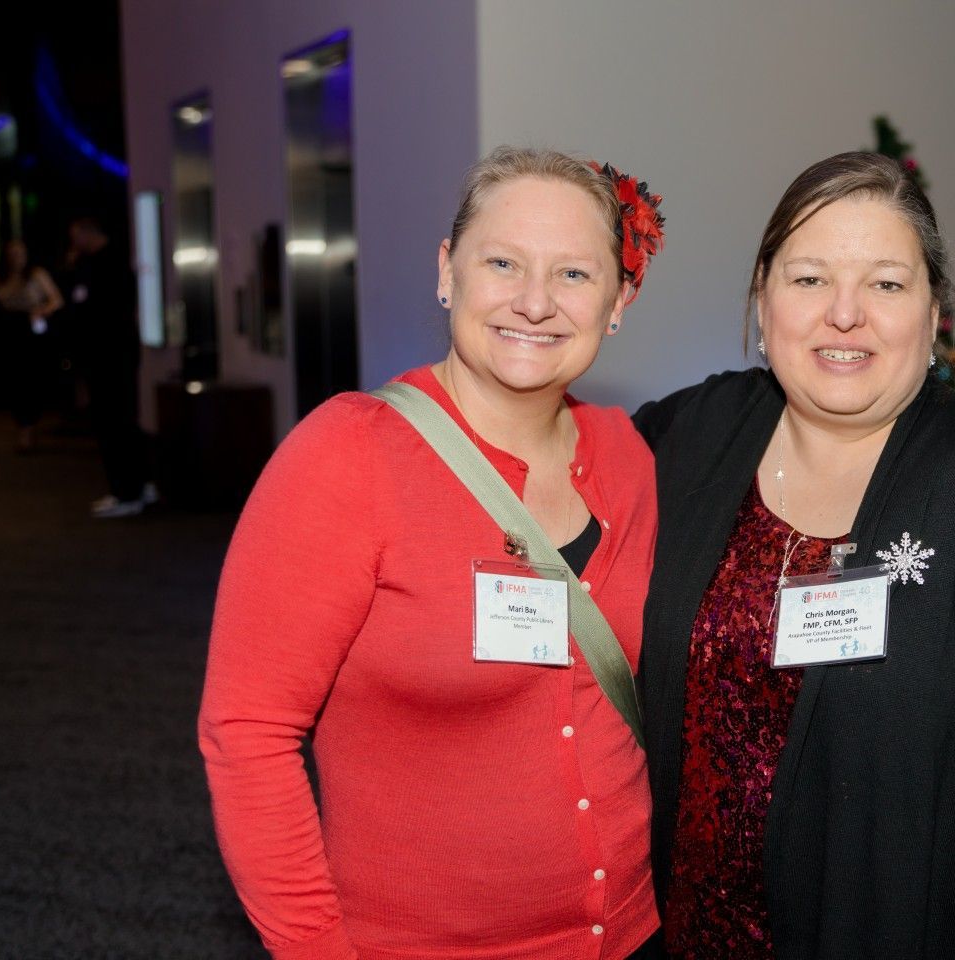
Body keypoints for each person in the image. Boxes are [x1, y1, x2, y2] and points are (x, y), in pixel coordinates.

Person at [633, 152, 955, 958]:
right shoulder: (686, 437)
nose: (845, 314)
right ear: (761, 300)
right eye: (809, 278)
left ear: (933, 314)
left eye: (886, 284)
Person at [200, 147, 667, 960]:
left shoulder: (628, 457)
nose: (534, 302)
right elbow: (247, 733)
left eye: (573, 274)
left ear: (619, 300)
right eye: (502, 262)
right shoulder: (348, 457)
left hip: (631, 936)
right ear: (448, 271)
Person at [62, 215, 152, 517]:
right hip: (105, 357)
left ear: (89, 231)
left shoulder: (111, 264)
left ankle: (127, 492)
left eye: (76, 235)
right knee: (117, 422)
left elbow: (101, 313)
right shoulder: (90, 263)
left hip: (111, 358)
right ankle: (134, 486)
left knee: (115, 423)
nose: (73, 242)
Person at [0, 239, 64, 451]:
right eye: (12, 254)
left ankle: (30, 425)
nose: (16, 258)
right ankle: (23, 427)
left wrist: (42, 311)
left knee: (31, 378)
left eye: (20, 253)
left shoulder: (36, 274)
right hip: (9, 330)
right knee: (14, 379)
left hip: (31, 329)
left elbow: (56, 300)